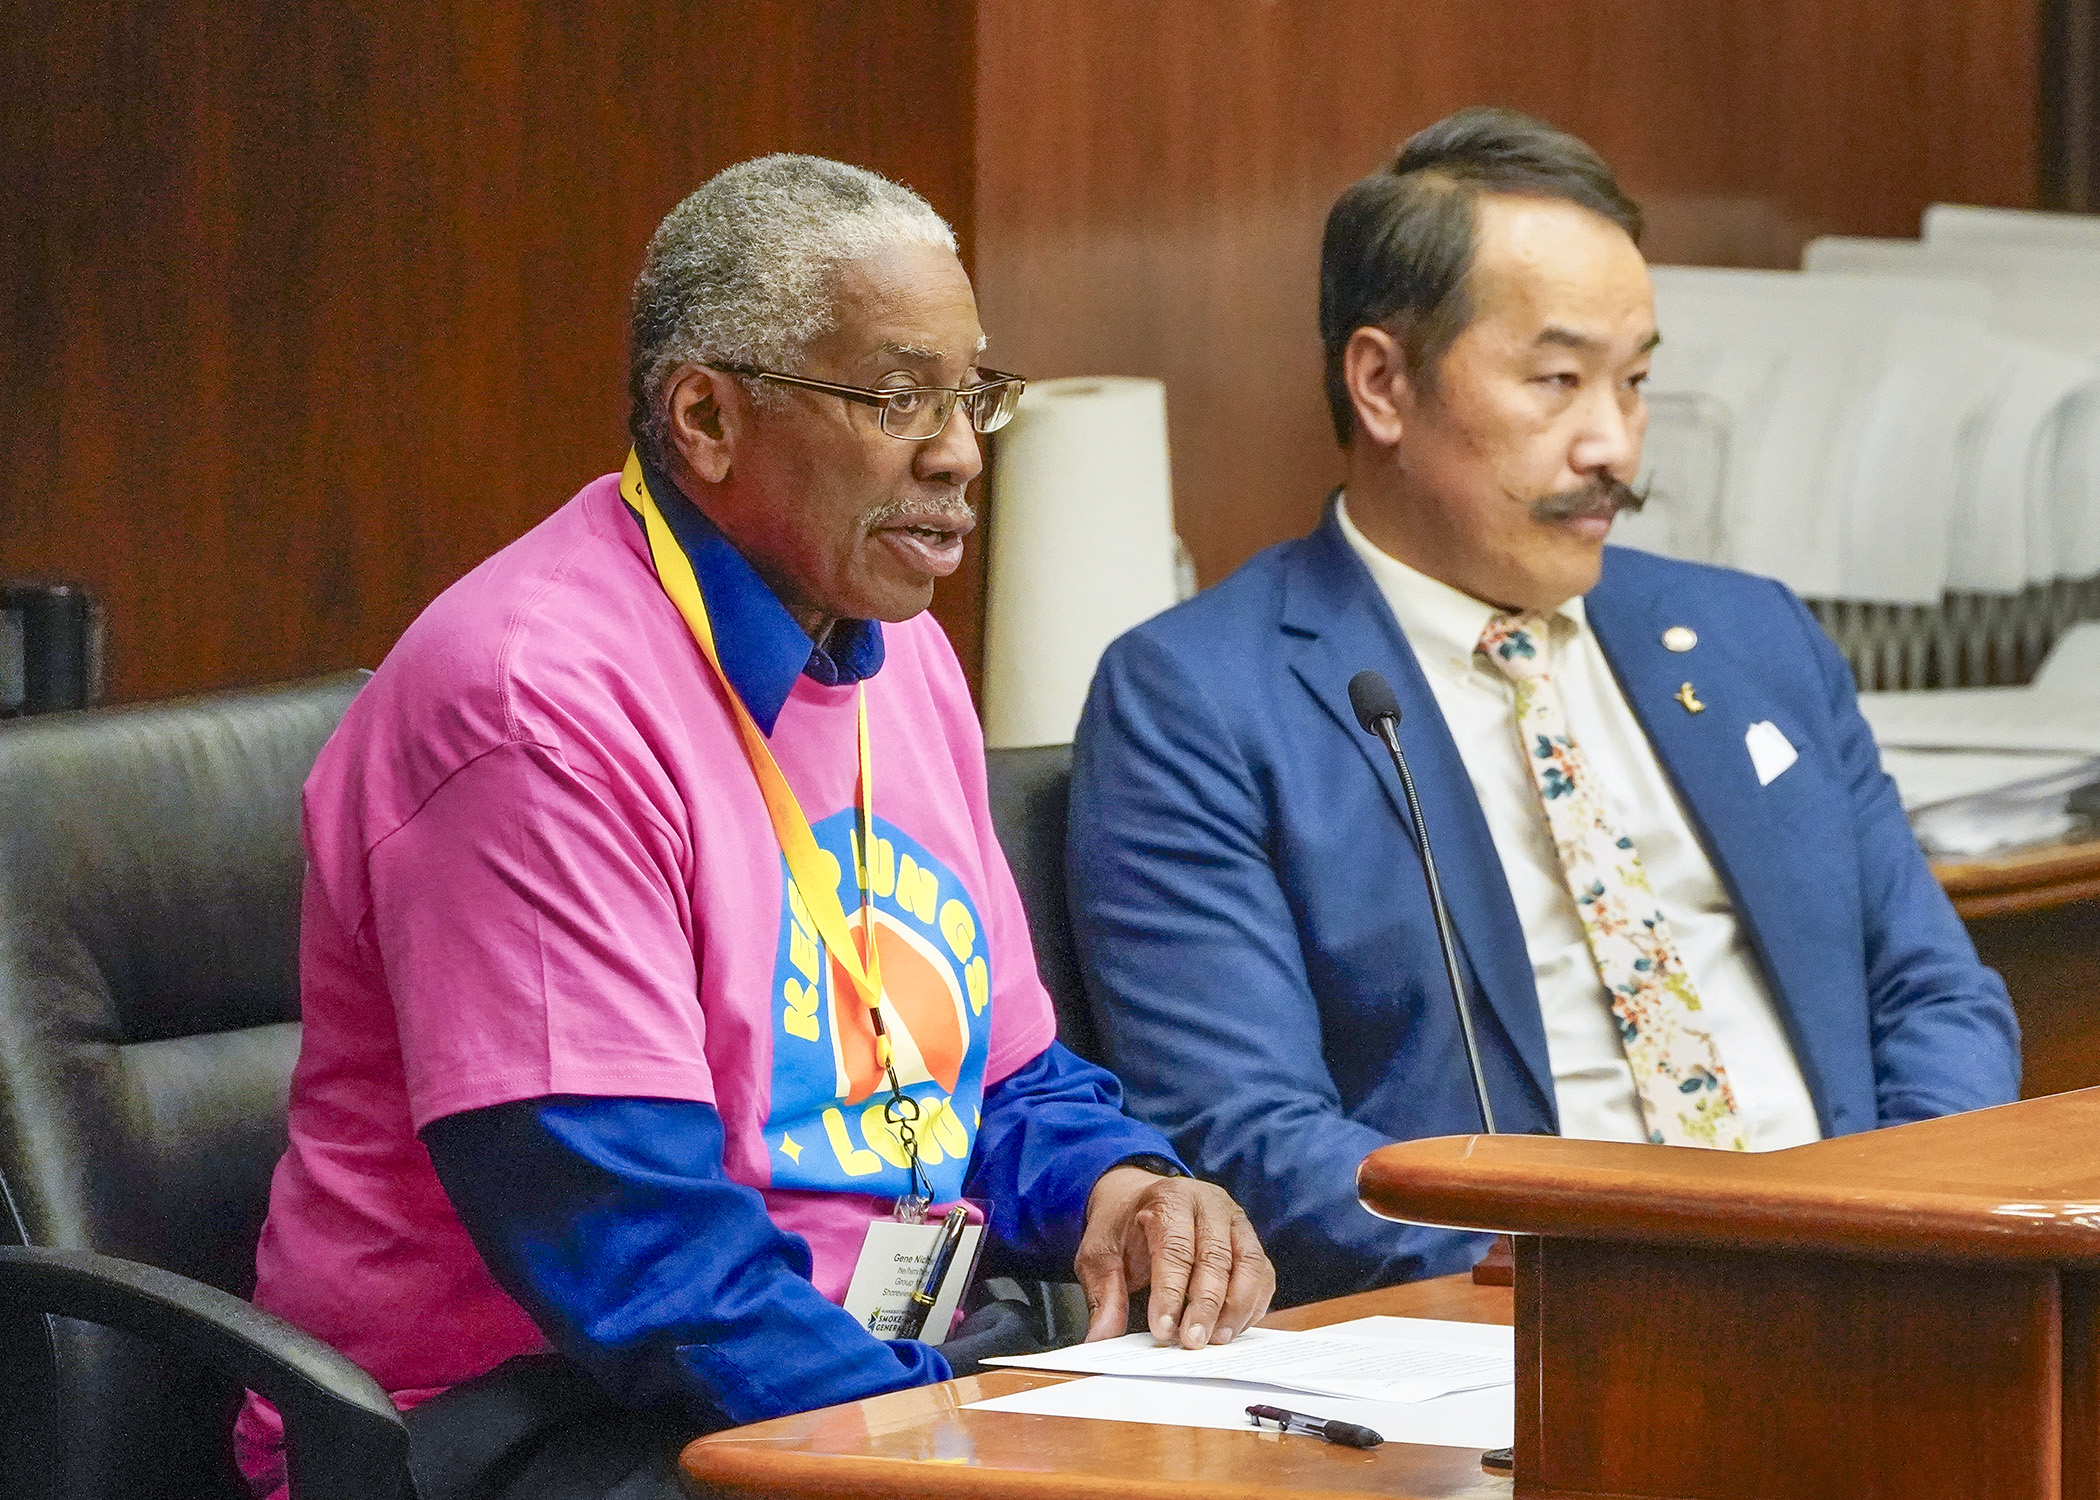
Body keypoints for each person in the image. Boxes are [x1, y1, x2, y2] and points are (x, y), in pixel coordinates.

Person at [239, 154, 1272, 1500]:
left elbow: (1003, 1081)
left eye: (970, 394)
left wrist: (1124, 1191)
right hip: (526, 1420)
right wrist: (973, 1451)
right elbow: (640, 1257)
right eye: (899, 397)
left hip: (856, 1374)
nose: (959, 451)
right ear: (709, 420)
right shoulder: (533, 706)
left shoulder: (894, 654)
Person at [1067, 108, 2020, 1309]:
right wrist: (1612, 1276)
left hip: (1873, 1294)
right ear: (1382, 383)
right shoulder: (1201, 695)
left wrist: (1909, 1229)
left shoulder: (1749, 635)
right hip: (1528, 1335)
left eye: (1636, 381)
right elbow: (1247, 1133)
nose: (1615, 443)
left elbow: (1933, 994)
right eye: (1558, 380)